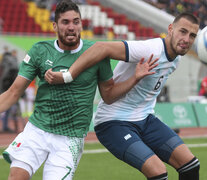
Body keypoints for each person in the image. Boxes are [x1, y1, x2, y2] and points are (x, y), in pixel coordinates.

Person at [1, 1, 158, 180]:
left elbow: (109, 95)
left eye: (76, 22)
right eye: (65, 22)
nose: (71, 27)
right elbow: (13, 92)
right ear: (54, 26)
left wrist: (135, 78)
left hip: (70, 139)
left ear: (81, 24)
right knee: (16, 177)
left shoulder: (97, 53)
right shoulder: (40, 50)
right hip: (37, 130)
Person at [45, 12, 200, 180]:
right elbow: (100, 48)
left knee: (191, 166)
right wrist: (68, 75)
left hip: (145, 119)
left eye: (192, 35)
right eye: (182, 31)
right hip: (113, 122)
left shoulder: (175, 59)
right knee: (158, 172)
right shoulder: (150, 49)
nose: (186, 39)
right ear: (171, 29)